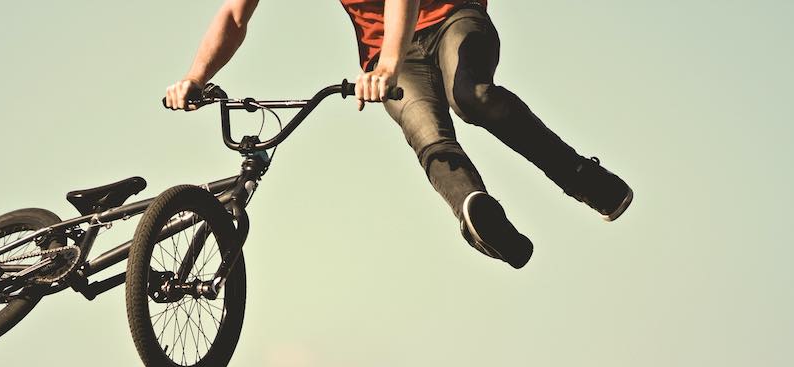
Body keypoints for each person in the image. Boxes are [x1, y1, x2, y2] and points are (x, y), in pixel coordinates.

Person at [164, 0, 632, 269]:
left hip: (453, 19)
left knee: (472, 96)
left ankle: (581, 177)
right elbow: (234, 16)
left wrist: (386, 64)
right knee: (425, 129)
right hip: (391, 55)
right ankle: (478, 216)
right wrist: (195, 78)